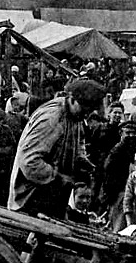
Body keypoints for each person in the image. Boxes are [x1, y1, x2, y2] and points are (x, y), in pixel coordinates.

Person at [8, 79, 103, 218]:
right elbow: (29, 161)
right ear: (72, 99)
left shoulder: (76, 116)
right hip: (32, 196)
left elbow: (79, 139)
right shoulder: (51, 119)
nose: (86, 115)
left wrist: (81, 158)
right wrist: (58, 178)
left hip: (54, 194)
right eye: (84, 109)